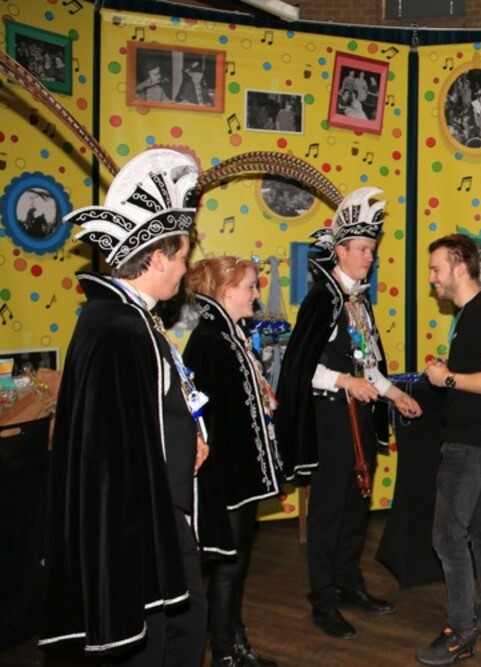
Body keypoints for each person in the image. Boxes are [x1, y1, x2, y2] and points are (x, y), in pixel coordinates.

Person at [38, 149, 210, 664]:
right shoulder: (116, 329)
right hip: (137, 525)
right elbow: (110, 456)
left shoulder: (134, 319)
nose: (185, 269)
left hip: (160, 513)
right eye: (182, 257)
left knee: (186, 622)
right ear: (157, 259)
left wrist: (190, 438)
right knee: (154, 642)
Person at [275, 187, 422, 641]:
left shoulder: (358, 301)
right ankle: (323, 600)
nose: (369, 258)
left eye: (372, 251)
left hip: (360, 418)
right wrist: (345, 382)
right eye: (361, 249)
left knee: (358, 504)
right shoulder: (322, 299)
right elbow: (301, 368)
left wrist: (393, 394)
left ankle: (348, 583)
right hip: (330, 423)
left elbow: (367, 366)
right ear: (339, 250)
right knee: (328, 511)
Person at [417, 234, 481, 665]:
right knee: (480, 532)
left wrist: (448, 379)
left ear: (460, 268)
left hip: (471, 445)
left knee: (447, 536)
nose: (432, 278)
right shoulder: (473, 313)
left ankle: (460, 631)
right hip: (479, 440)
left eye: (436, 269)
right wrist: (450, 372)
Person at [184, 257, 283, 667]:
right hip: (226, 477)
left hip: (241, 475)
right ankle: (225, 653)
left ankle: (236, 642)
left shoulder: (229, 335)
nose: (256, 295)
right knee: (228, 565)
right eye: (250, 287)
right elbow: (205, 419)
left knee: (237, 564)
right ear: (225, 291)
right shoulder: (211, 341)